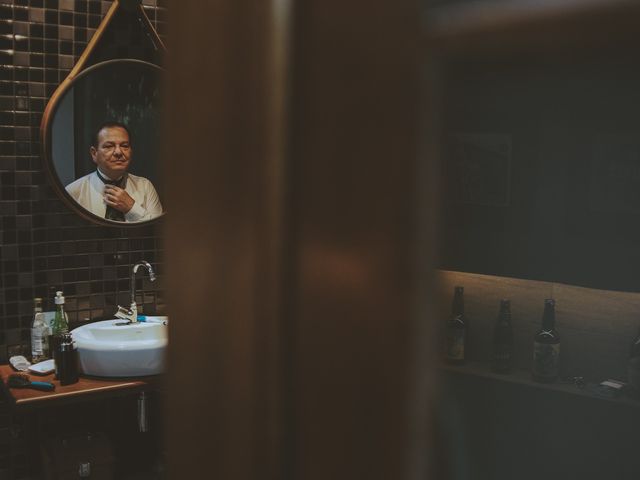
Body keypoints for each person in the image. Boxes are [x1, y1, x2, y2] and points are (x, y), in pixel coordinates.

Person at [66, 122, 163, 222]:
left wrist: (131, 208)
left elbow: (159, 231)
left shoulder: (145, 187)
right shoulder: (73, 192)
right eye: (109, 146)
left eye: (124, 145)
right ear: (94, 153)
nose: (118, 152)